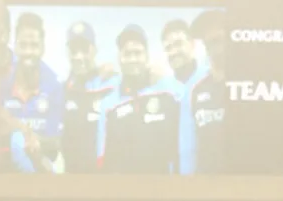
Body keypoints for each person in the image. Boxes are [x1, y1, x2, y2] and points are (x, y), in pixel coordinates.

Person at [96, 24, 182, 173]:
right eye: (127, 54)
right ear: (119, 59)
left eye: (138, 53)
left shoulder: (168, 91)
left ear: (147, 56)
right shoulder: (108, 103)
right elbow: (101, 156)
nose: (133, 59)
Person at [0, 12, 63, 172]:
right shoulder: (2, 81)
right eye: (23, 45)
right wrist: (21, 131)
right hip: (4, 174)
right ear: (15, 46)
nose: (28, 52)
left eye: (34, 46)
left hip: (40, 171)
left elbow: (57, 142)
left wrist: (36, 142)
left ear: (43, 48)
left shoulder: (54, 86)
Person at [60, 22, 117, 174]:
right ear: (68, 53)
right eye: (74, 50)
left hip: (104, 178)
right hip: (72, 178)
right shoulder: (63, 89)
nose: (79, 56)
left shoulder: (111, 84)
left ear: (95, 50)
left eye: (84, 49)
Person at [161, 18, 207, 175]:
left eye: (178, 44)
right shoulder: (164, 89)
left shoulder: (209, 79)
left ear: (192, 44)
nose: (173, 52)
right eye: (168, 48)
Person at [188, 9, 227, 174]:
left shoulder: (248, 83)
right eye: (209, 41)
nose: (215, 46)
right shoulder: (197, 90)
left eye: (219, 39)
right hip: (205, 182)